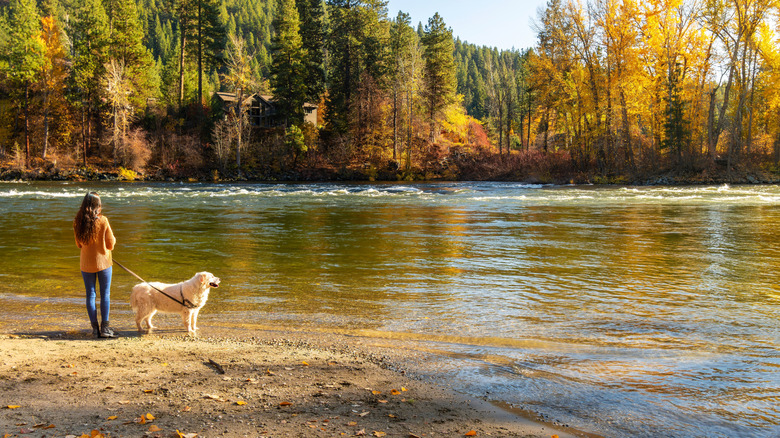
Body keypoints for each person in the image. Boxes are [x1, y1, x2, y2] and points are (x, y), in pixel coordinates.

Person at [73, 192, 118, 338]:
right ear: (97, 206)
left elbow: (79, 244)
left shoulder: (77, 221)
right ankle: (105, 329)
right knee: (105, 294)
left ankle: (95, 330)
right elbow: (110, 245)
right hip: (104, 263)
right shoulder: (103, 220)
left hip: (86, 264)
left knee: (90, 295)